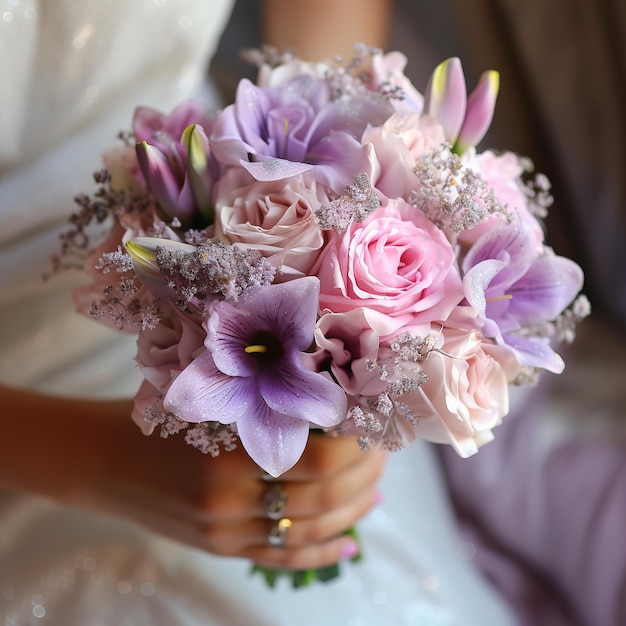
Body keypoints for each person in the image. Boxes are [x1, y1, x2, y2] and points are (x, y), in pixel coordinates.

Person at [0, 1, 516, 624]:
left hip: (198, 222)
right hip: (57, 396)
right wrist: (101, 465)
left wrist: (358, 236)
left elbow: (325, 60)